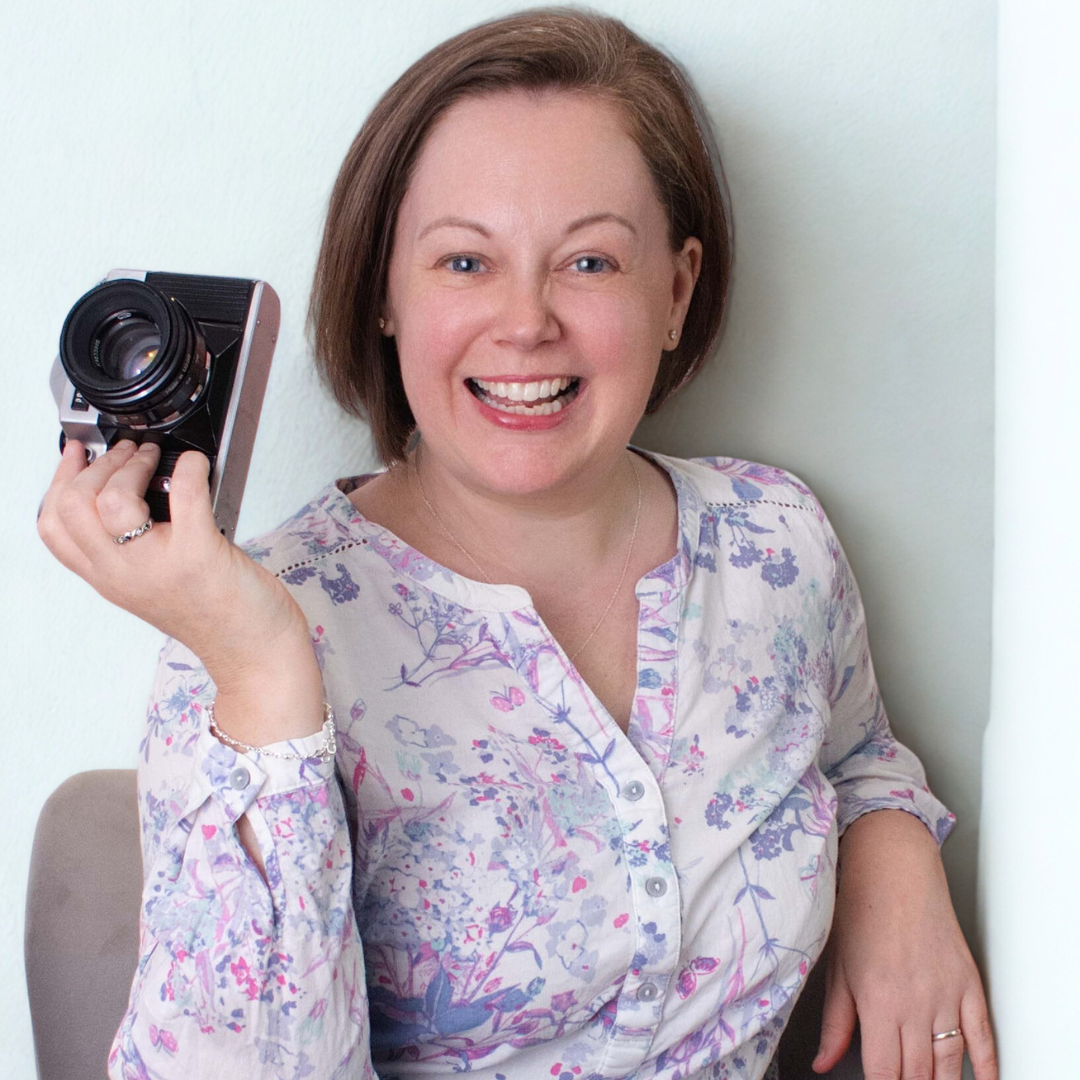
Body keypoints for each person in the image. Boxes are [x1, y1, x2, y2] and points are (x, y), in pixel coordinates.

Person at [37, 9, 996, 1080]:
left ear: (675, 291)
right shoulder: (238, 638)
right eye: (463, 262)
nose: (527, 321)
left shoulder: (778, 541)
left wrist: (893, 853)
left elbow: (856, 756)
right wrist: (261, 671)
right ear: (386, 295)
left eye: (588, 261)